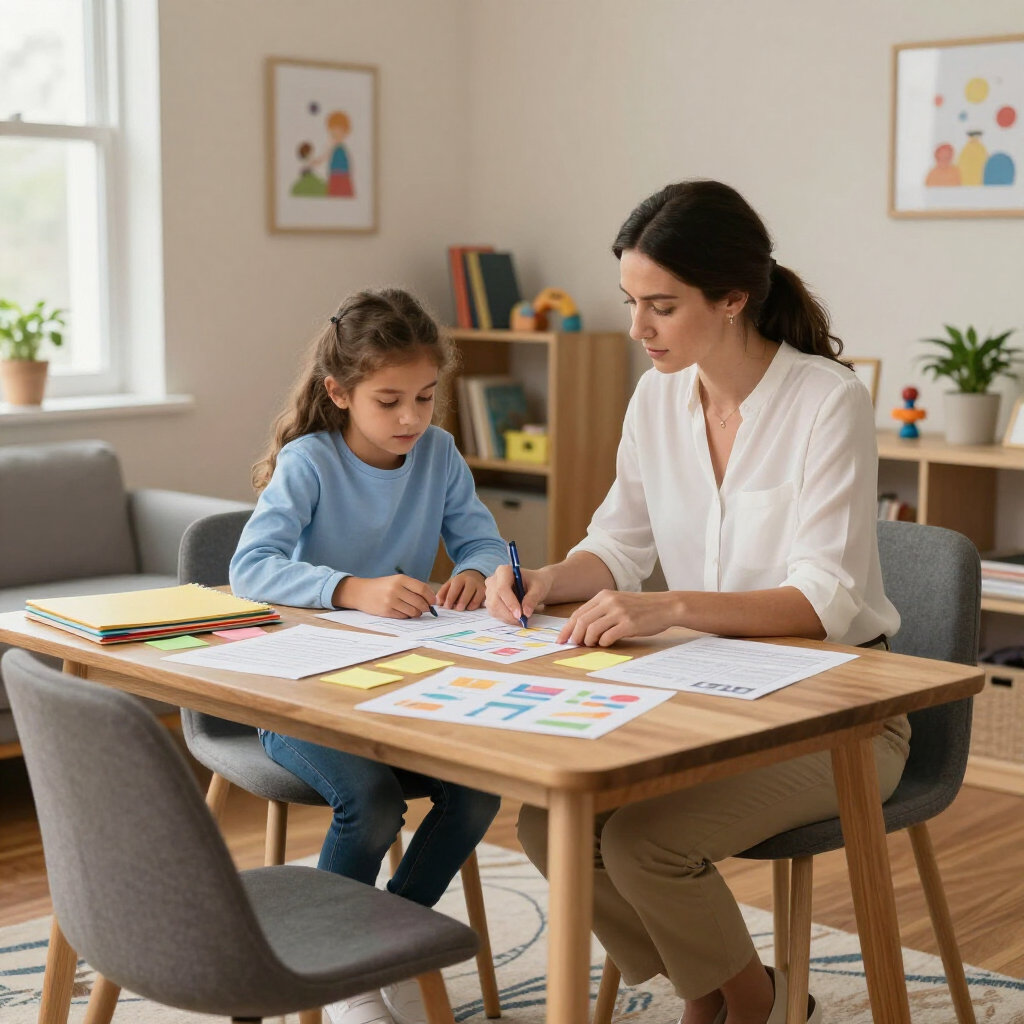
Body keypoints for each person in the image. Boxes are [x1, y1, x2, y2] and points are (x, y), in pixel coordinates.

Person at [485, 180, 904, 1024]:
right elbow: (619, 545)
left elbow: (821, 602)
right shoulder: (655, 398)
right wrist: (543, 579)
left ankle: (733, 1008)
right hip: (703, 693)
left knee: (645, 843)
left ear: (733, 298)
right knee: (547, 827)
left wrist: (667, 608)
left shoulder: (828, 401)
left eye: (662, 307)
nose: (638, 329)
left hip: (839, 712)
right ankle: (742, 996)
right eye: (631, 302)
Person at [231, 288, 505, 1024]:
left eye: (425, 396)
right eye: (390, 401)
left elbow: (482, 537)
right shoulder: (310, 462)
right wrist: (351, 589)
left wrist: (479, 569)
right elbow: (249, 569)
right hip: (299, 692)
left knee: (478, 793)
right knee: (375, 803)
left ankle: (384, 940)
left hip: (401, 689)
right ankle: (343, 975)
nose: (412, 418)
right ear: (339, 392)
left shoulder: (438, 454)